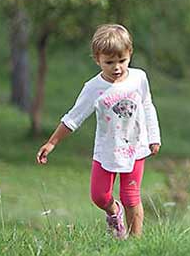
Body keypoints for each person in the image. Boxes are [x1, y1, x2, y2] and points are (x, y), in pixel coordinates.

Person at [36, 24, 161, 238]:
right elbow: (73, 118)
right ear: (97, 59)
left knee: (131, 197)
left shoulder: (139, 78)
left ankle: (135, 242)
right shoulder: (93, 87)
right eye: (109, 62)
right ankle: (115, 213)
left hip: (135, 147)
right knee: (99, 196)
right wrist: (52, 142)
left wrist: (154, 136)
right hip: (107, 150)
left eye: (122, 60)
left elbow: (148, 106)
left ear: (130, 53)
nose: (117, 68)